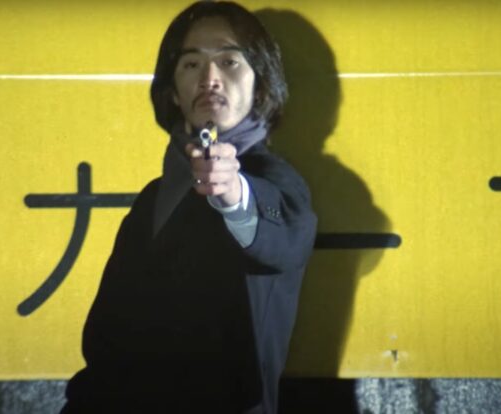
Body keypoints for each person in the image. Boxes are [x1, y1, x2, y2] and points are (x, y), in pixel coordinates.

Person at [62, 2, 316, 413]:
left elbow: (284, 238)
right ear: (173, 93)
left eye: (229, 62)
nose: (209, 78)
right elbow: (106, 342)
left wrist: (233, 194)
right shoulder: (154, 198)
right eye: (192, 64)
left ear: (260, 85)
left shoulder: (273, 180)